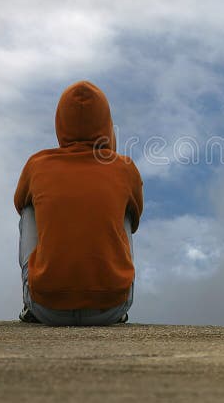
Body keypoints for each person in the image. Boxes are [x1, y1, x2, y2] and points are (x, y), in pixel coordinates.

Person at [13, 80, 144, 325]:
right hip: (112, 307)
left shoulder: (37, 164)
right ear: (106, 123)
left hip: (45, 307)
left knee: (29, 208)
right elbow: (133, 223)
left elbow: (19, 203)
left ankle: (28, 303)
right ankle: (115, 289)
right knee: (125, 209)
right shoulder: (124, 168)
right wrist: (109, 150)